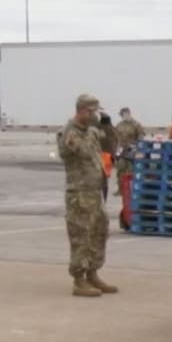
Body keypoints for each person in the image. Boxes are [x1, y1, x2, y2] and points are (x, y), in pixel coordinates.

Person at [59, 94, 116, 298]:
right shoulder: (70, 132)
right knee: (81, 235)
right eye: (93, 112)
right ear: (83, 110)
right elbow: (81, 151)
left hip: (95, 192)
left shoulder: (91, 131)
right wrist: (93, 128)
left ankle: (92, 273)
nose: (95, 116)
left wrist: (107, 126)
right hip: (79, 194)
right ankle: (79, 279)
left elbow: (110, 147)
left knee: (99, 232)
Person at [113, 107, 146, 179]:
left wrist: (137, 148)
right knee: (120, 168)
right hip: (121, 149)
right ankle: (120, 185)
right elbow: (116, 138)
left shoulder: (136, 124)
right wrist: (116, 153)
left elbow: (141, 136)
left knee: (130, 169)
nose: (122, 116)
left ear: (128, 114)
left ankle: (130, 185)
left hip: (131, 150)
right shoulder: (119, 125)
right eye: (121, 115)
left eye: (123, 114)